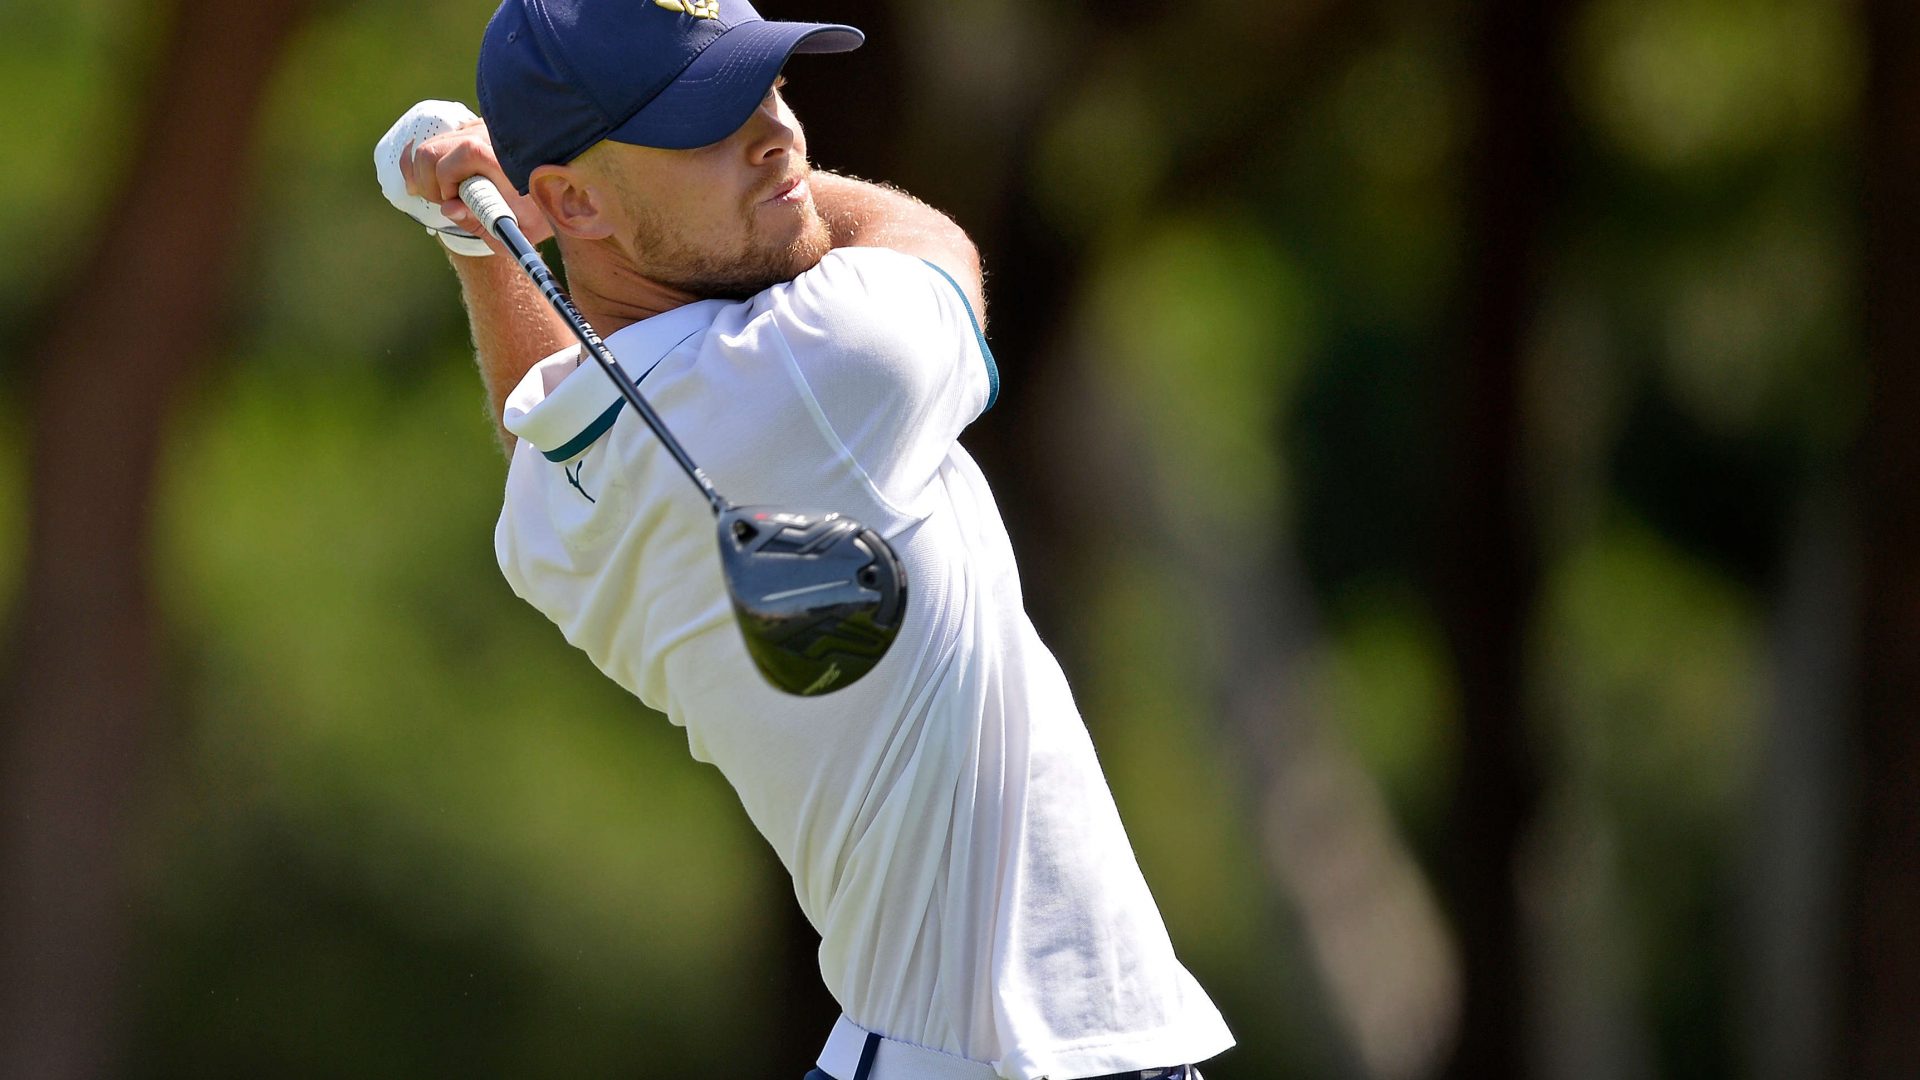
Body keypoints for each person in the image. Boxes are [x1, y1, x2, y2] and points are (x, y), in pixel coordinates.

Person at [374, 1, 1233, 1077]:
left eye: (770, 88)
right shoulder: (833, 364)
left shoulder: (549, 508)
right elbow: (933, 243)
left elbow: (548, 408)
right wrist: (516, 208)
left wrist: (485, 233)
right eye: (707, 120)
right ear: (576, 201)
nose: (777, 133)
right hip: (1022, 1058)